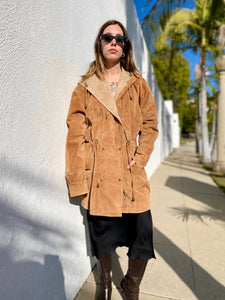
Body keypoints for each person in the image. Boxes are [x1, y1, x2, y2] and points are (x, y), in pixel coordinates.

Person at [65, 20, 159, 300]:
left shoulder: (138, 84)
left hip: (131, 171)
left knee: (143, 232)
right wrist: (79, 178)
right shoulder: (85, 87)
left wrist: (140, 159)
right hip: (101, 172)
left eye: (120, 39)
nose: (114, 42)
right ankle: (105, 284)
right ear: (100, 44)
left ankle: (132, 285)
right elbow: (75, 136)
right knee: (102, 234)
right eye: (108, 38)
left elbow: (151, 126)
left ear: (126, 46)